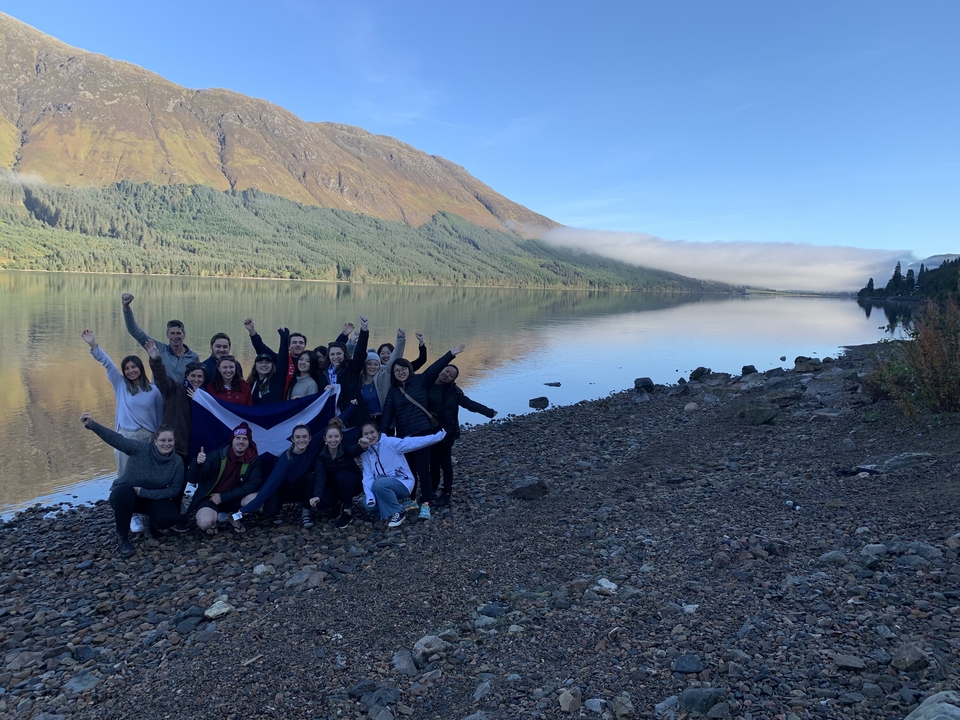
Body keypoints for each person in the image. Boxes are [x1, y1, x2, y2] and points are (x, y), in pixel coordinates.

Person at [380, 343, 465, 520]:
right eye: (397, 370)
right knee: (409, 471)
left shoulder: (420, 380)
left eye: (403, 369)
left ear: (409, 369)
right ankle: (412, 500)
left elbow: (436, 367)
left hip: (422, 434)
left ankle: (425, 504)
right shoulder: (393, 392)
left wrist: (451, 353)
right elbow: (387, 414)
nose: (401, 372)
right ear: (394, 374)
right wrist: (381, 436)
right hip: (404, 437)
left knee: (423, 469)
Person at [79, 413, 183, 558]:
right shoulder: (141, 449)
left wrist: (145, 492)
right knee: (123, 493)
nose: (167, 444)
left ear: (174, 441)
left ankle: (151, 524)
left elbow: (174, 490)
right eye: (163, 440)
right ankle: (123, 538)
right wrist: (92, 425)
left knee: (170, 517)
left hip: (150, 497)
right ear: (155, 441)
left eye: (170, 440)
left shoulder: (177, 462)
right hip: (127, 495)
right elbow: (117, 440)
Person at [81, 329, 163, 476]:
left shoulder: (154, 391)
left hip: (146, 437)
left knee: (144, 473)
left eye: (133, 367)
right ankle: (121, 497)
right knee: (124, 474)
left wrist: (158, 439)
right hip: (124, 435)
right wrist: (93, 344)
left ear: (140, 369)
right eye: (127, 368)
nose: (130, 371)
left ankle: (144, 498)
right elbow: (107, 363)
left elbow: (158, 417)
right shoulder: (121, 385)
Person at [428, 364, 497, 507]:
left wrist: (488, 412)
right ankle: (433, 489)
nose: (447, 375)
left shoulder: (454, 391)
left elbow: (469, 404)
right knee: (433, 461)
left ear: (452, 379)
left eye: (451, 375)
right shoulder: (426, 383)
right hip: (429, 432)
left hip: (447, 433)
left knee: (445, 462)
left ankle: (446, 493)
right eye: (447, 371)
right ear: (441, 369)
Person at [357, 421, 446, 528]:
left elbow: (414, 442)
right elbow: (367, 477)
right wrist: (370, 498)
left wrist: (438, 436)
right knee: (367, 504)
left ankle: (397, 512)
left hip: (402, 483)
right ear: (362, 437)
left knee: (378, 484)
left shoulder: (390, 443)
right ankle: (387, 515)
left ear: (378, 432)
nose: (370, 436)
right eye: (366, 434)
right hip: (382, 487)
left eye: (372, 432)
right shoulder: (365, 453)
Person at [182, 423, 263, 534]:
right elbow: (193, 478)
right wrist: (197, 464)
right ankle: (214, 521)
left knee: (258, 501)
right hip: (211, 499)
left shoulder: (253, 459)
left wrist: (223, 497)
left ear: (249, 442)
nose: (241, 442)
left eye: (245, 439)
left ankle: (234, 517)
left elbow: (254, 484)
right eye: (238, 438)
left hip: (234, 498)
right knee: (205, 523)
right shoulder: (216, 455)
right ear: (232, 440)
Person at [234, 424, 320, 527]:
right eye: (297, 437)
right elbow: (270, 485)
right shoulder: (286, 460)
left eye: (304, 437)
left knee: (310, 477)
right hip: (281, 491)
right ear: (292, 439)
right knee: (269, 512)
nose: (301, 440)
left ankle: (306, 513)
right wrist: (241, 512)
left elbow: (332, 426)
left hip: (299, 489)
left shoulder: (312, 446)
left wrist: (345, 411)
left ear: (310, 438)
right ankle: (267, 509)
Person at [145, 339, 206, 469]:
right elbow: (161, 378)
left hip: (191, 449)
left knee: (181, 485)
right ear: (187, 376)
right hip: (171, 447)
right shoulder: (175, 390)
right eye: (193, 376)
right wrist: (155, 360)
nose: (196, 379)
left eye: (200, 377)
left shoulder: (205, 398)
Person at [121, 292, 200, 383]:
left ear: (184, 334)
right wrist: (126, 307)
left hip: (180, 396)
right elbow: (134, 331)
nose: (175, 336)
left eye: (178, 333)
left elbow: (197, 380)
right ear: (167, 334)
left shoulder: (193, 357)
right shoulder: (157, 348)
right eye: (172, 333)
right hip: (159, 396)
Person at [309, 420, 363, 529]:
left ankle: (347, 511)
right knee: (322, 503)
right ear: (325, 439)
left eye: (336, 436)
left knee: (342, 476)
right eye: (330, 437)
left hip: (354, 482)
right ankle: (338, 502)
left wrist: (362, 446)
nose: (333, 440)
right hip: (335, 486)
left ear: (341, 437)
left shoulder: (345, 447)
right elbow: (320, 476)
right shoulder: (321, 456)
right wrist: (317, 495)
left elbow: (355, 450)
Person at [325, 316, 370, 425]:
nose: (336, 357)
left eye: (339, 354)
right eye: (332, 354)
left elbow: (360, 352)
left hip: (353, 418)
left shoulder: (351, 369)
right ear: (328, 356)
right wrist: (343, 335)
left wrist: (364, 330)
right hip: (330, 419)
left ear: (345, 355)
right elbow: (335, 346)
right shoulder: (323, 373)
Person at [246, 319, 301, 397]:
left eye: (301, 343)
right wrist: (252, 331)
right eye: (294, 342)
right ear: (288, 346)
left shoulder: (308, 362)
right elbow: (262, 349)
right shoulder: (278, 359)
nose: (298, 345)